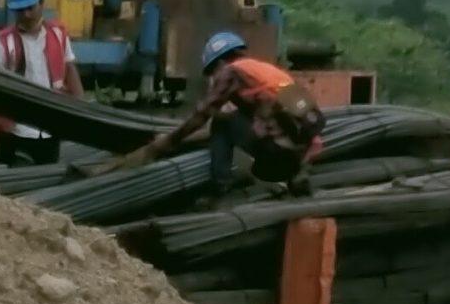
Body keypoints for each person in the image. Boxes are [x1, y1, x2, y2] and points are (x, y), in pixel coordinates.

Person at [115, 31, 323, 193]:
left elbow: (202, 115)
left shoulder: (231, 71)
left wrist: (168, 142)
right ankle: (296, 176)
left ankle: (221, 186)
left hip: (276, 157)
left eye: (213, 71)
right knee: (242, 121)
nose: (214, 77)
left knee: (221, 122)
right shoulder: (265, 73)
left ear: (220, 62)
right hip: (301, 155)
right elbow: (308, 127)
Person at [0, 0, 82, 166]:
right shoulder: (1, 44)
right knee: (21, 181)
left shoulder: (58, 35)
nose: (26, 14)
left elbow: (70, 70)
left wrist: (82, 110)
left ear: (42, 3)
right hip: (14, 132)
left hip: (49, 130)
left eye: (30, 7)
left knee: (46, 183)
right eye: (20, 10)